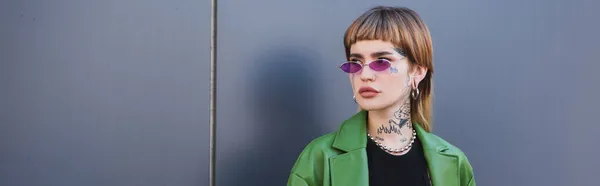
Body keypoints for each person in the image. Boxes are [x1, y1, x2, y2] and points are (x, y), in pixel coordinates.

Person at [287, 6, 475, 186]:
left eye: (381, 62)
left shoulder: (453, 162)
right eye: (356, 62)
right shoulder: (319, 158)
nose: (365, 75)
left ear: (417, 72)